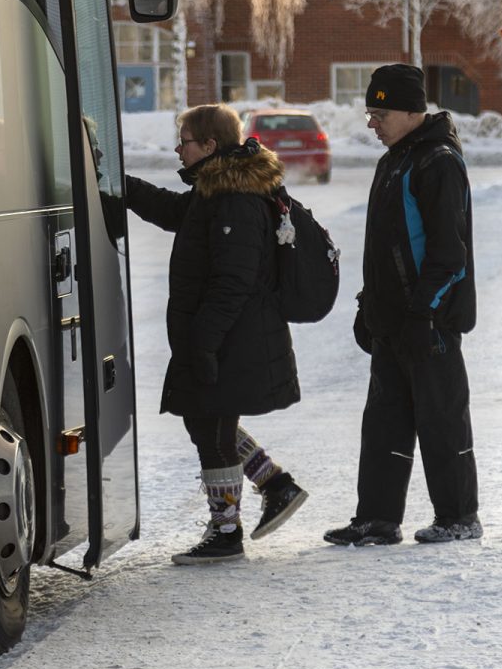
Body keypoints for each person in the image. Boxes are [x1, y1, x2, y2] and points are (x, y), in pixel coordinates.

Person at [125, 104, 308, 564]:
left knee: (212, 426)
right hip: (225, 334)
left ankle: (226, 531)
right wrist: (118, 186)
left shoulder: (235, 198)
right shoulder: (215, 189)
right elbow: (172, 210)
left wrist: (203, 342)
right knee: (206, 419)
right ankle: (274, 484)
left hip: (233, 336)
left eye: (184, 141)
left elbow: (233, 280)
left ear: (209, 145)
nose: (177, 149)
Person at [325, 63, 482, 547]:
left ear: (412, 111)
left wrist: (421, 313)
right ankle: (376, 518)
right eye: (370, 112)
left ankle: (459, 517)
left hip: (428, 323)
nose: (371, 122)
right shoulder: (394, 160)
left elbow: (448, 254)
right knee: (384, 424)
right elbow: (387, 245)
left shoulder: (437, 162)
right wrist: (367, 305)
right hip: (392, 323)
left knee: (440, 420)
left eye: (380, 112)